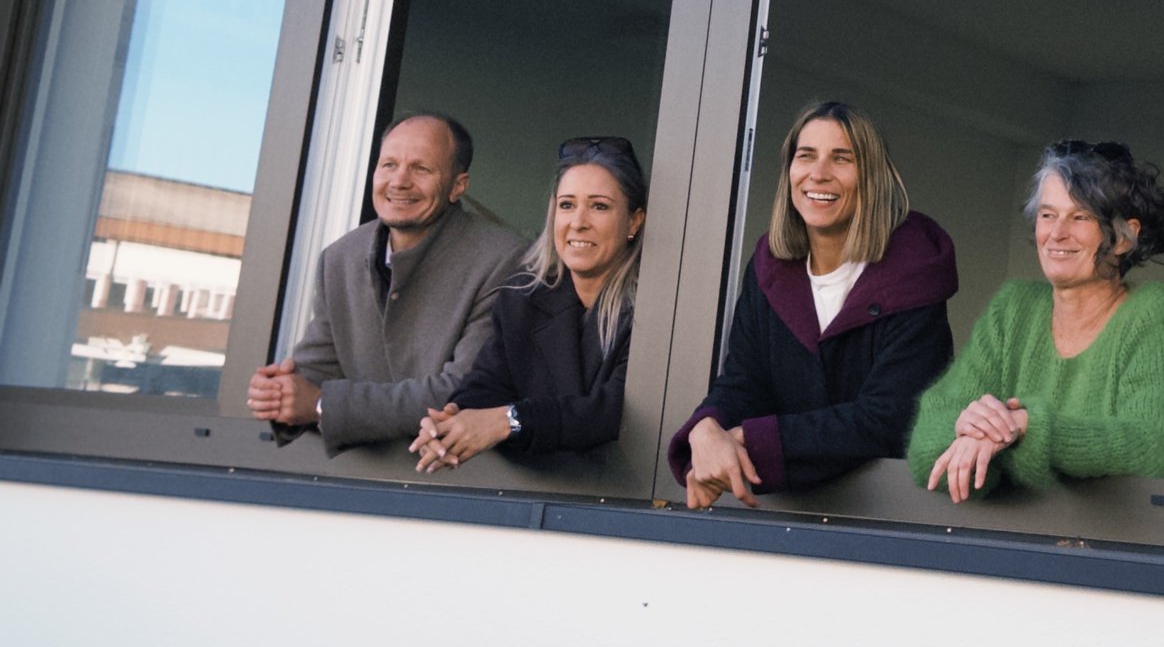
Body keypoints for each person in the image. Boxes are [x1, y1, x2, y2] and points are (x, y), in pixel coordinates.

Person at [670, 100, 956, 504]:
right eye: (806, 156)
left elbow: (890, 418)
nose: (818, 174)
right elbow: (744, 381)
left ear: (871, 178)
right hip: (781, 513)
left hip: (891, 513)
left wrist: (750, 439)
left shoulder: (913, 275)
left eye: (842, 159)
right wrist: (707, 427)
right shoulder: (769, 270)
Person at [909, 139, 1164, 503]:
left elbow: (1150, 448)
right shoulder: (1013, 308)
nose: (1057, 233)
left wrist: (1026, 426)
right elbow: (927, 449)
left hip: (1111, 550)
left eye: (1081, 217)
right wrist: (973, 431)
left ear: (1125, 237)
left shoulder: (1157, 310)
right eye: (1047, 214)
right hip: (1010, 542)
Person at [248, 111, 523, 456]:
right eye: (389, 165)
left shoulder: (503, 258)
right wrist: (281, 393)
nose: (399, 181)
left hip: (457, 484)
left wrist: (321, 405)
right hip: (360, 483)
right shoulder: (339, 258)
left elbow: (465, 392)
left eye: (421, 169)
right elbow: (318, 369)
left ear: (458, 186)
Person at [411, 134, 647, 472]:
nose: (578, 221)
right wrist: (453, 419)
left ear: (634, 221)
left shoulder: (656, 308)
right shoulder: (524, 297)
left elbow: (609, 413)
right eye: (567, 205)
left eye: (599, 206)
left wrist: (509, 421)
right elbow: (489, 382)